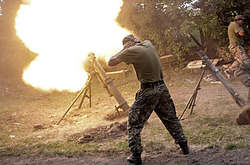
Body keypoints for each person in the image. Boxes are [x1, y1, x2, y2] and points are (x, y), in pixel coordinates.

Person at [108, 34, 189, 165]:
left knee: (134, 121)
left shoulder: (131, 50)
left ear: (128, 44)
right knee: (170, 118)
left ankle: (136, 155)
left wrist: (124, 49)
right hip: (162, 87)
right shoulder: (148, 44)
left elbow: (111, 62)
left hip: (148, 90)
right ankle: (184, 146)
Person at [225, 15, 250, 103]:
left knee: (239, 61)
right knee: (246, 61)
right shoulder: (235, 24)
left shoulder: (232, 24)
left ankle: (229, 70)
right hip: (236, 47)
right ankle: (240, 74)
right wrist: (242, 29)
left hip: (235, 46)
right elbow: (241, 33)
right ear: (238, 20)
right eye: (242, 20)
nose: (242, 22)